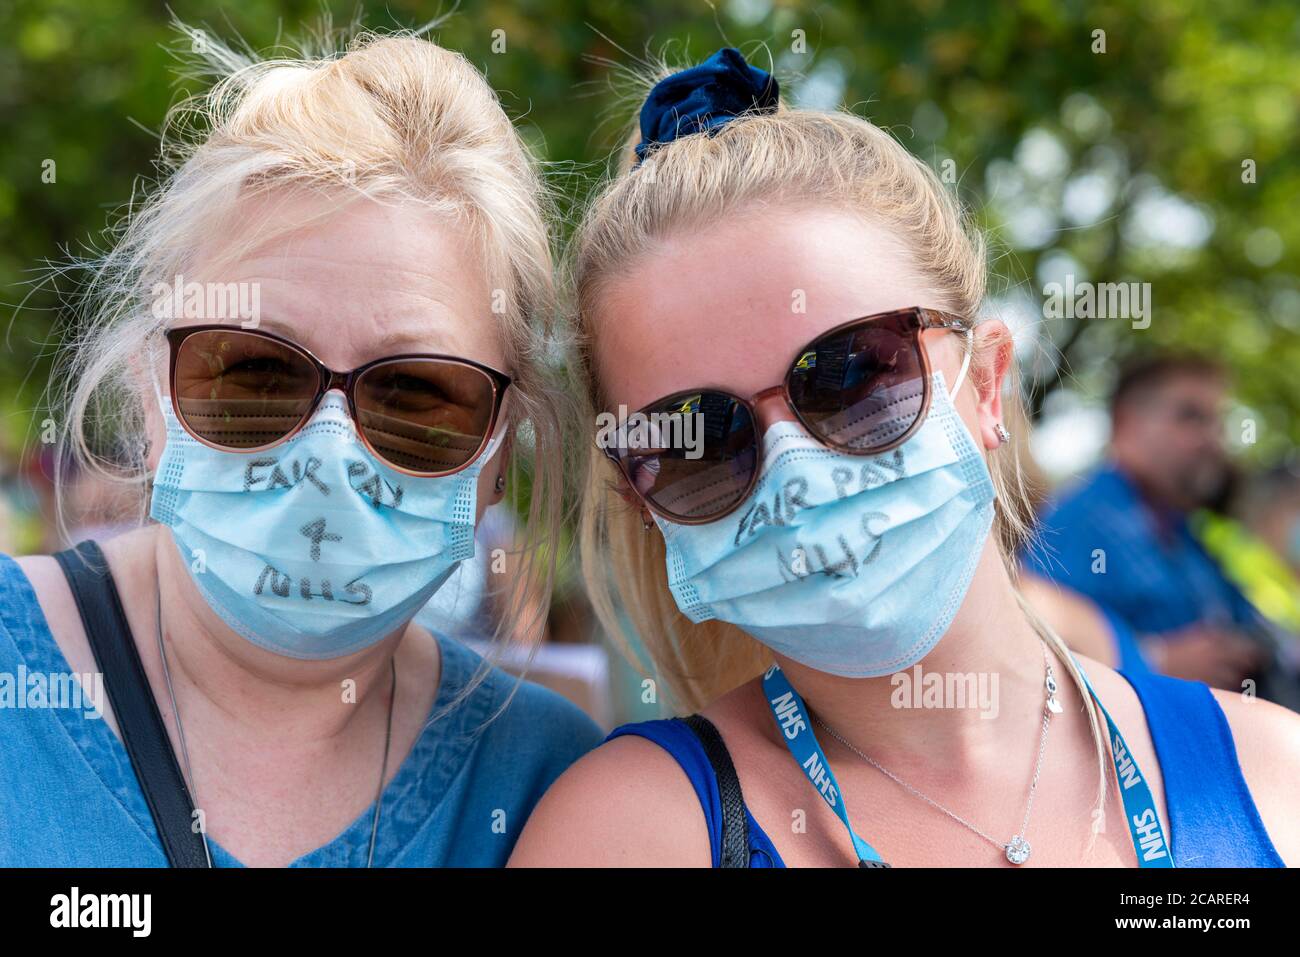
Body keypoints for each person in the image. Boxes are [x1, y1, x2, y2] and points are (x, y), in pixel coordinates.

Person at [509, 48, 1299, 867]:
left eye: (852, 374)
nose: (796, 470)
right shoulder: (625, 836)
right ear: (644, 500)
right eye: (700, 438)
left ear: (987, 383)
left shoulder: (1280, 781)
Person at [0, 30, 602, 867]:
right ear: (150, 388)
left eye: (415, 395)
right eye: (251, 372)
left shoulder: (553, 786)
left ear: (501, 452)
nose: (326, 457)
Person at [1022, 355, 1274, 692]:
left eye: (1217, 422)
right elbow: (1034, 646)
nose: (1213, 439)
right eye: (1190, 417)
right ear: (1126, 424)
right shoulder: (1079, 525)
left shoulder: (1186, 534)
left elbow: (1247, 623)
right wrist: (1156, 659)